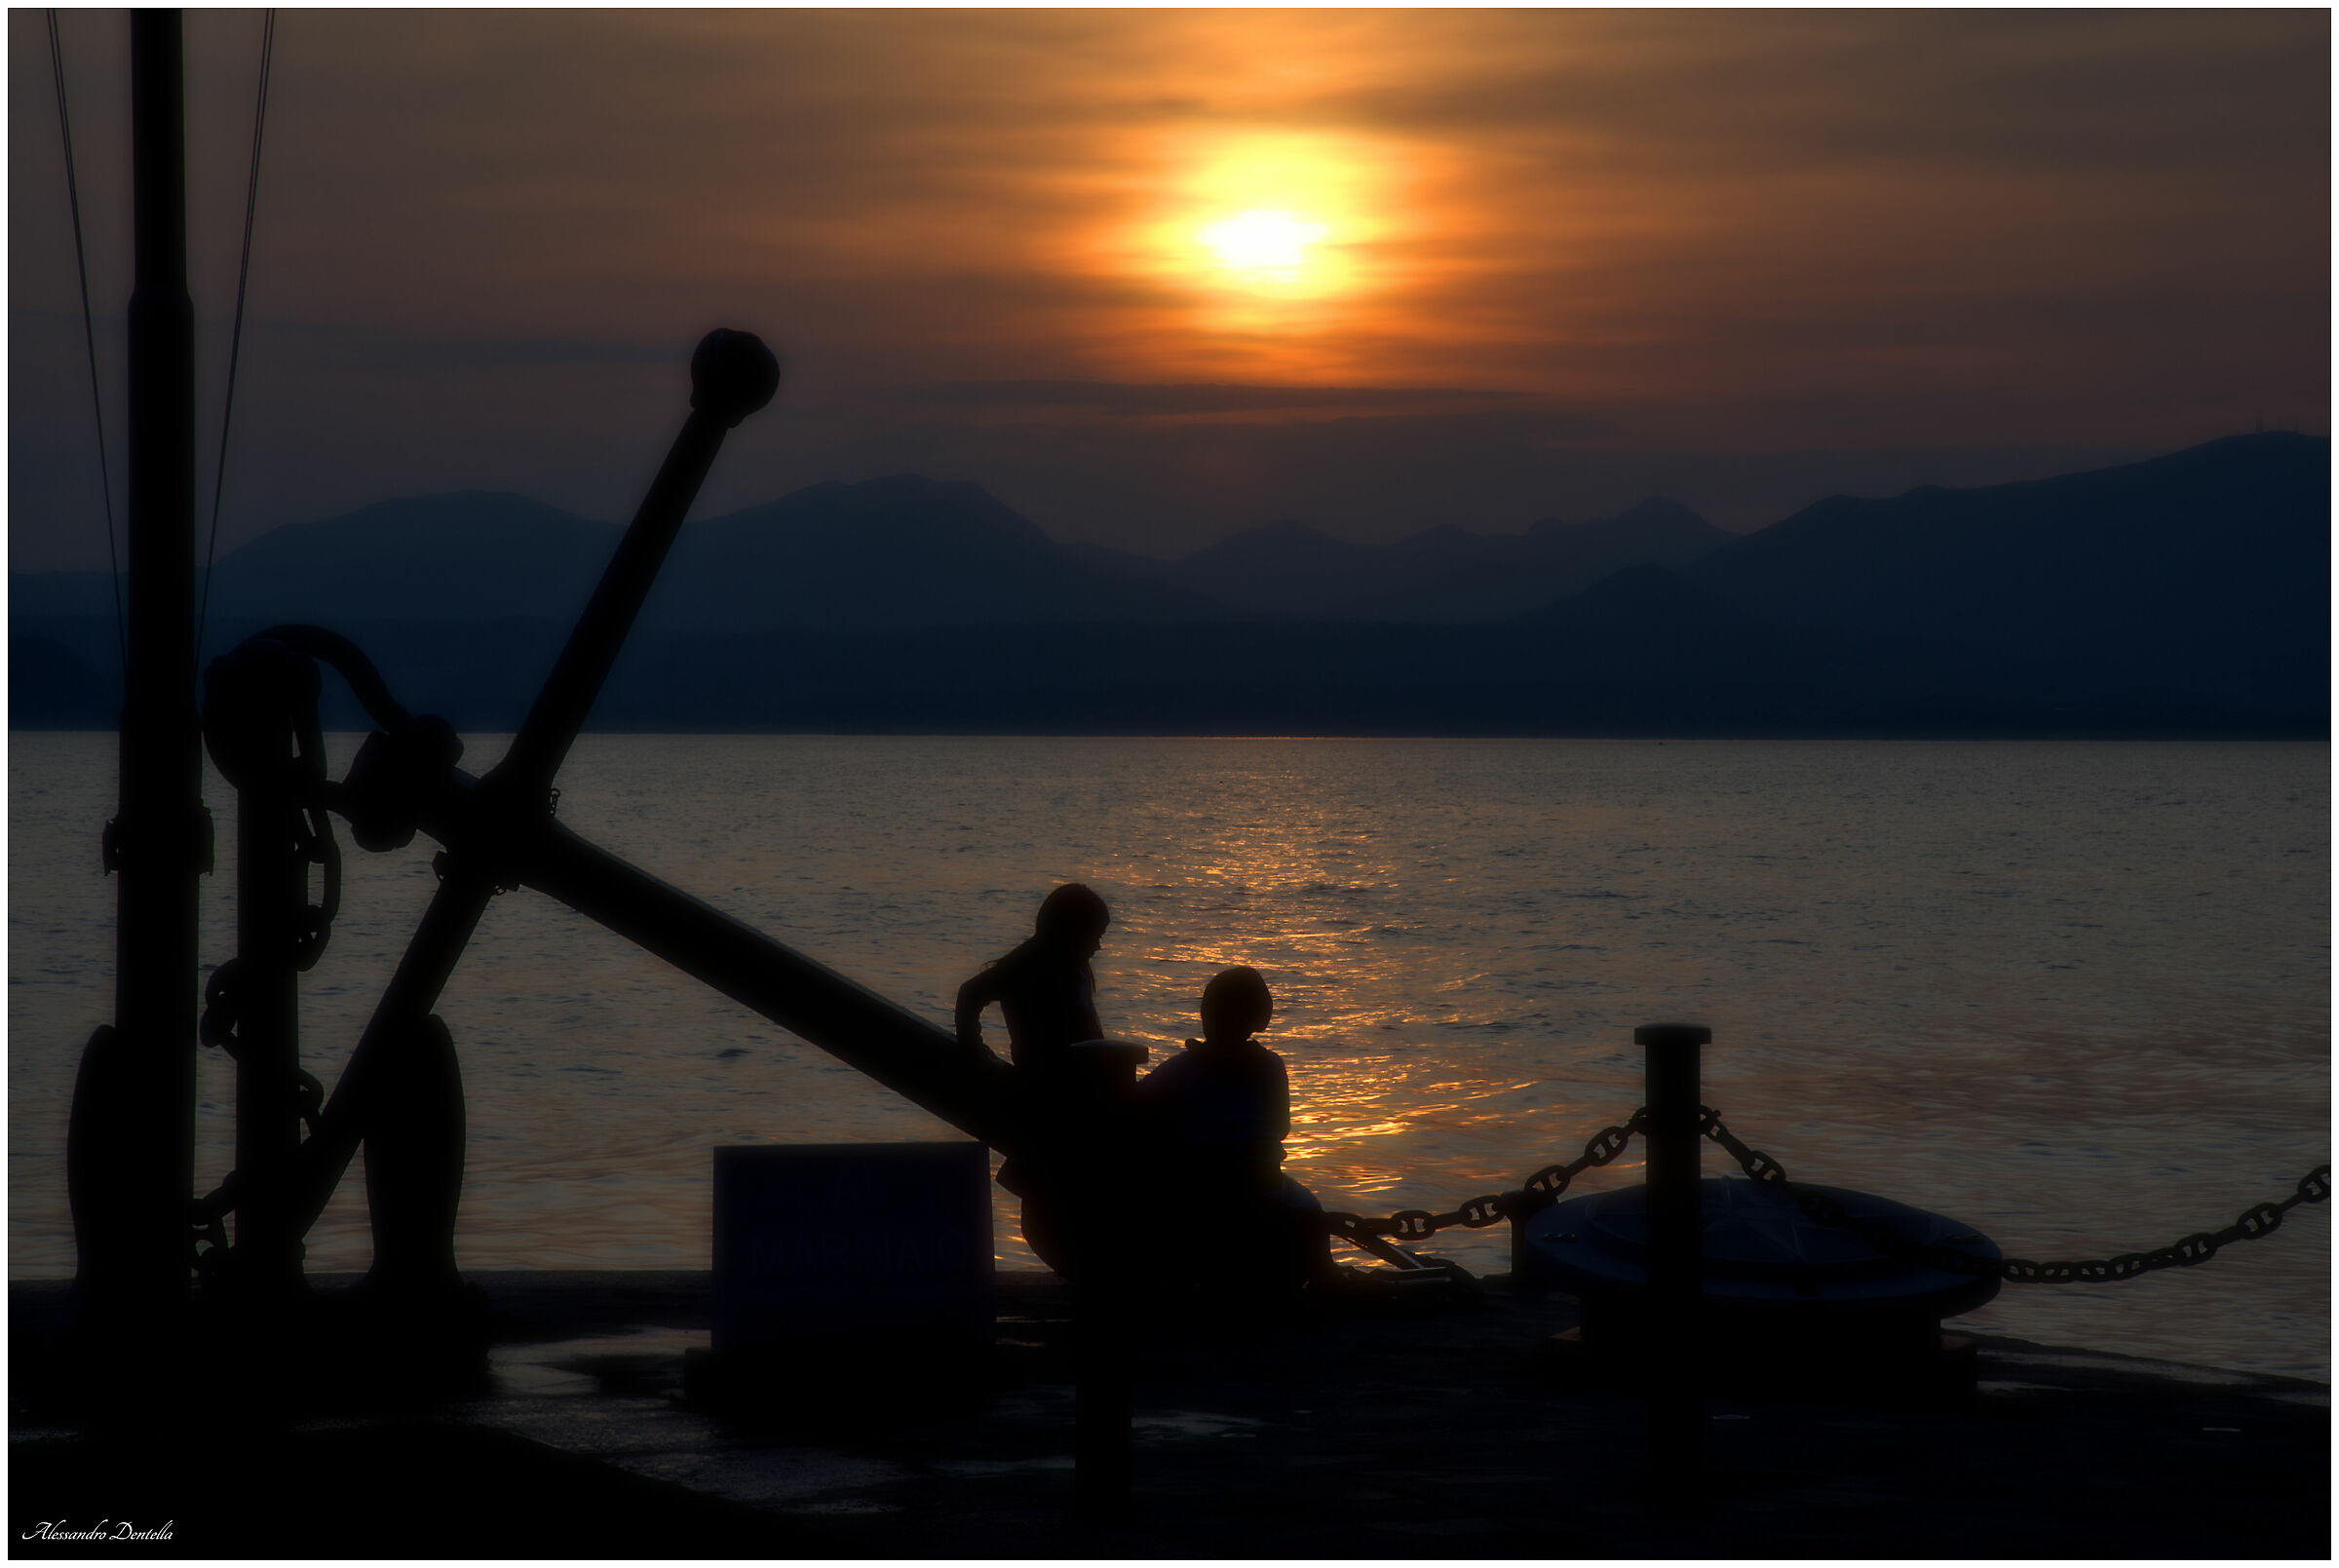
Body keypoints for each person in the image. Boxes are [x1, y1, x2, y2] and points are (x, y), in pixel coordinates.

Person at [1134, 966, 1328, 1291]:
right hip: (1261, 1180)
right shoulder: (1272, 1066)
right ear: (1260, 1018)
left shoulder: (1179, 1068)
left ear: (1206, 1015)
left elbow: (1138, 1111)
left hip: (1201, 1184)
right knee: (1309, 1206)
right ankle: (1326, 1276)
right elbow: (1281, 1127)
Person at [954, 883, 1111, 1075]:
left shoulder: (1075, 970)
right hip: (1048, 1084)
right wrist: (976, 1050)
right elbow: (969, 994)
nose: (1098, 946)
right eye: (1095, 936)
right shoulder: (1025, 967)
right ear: (1073, 932)